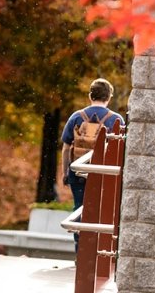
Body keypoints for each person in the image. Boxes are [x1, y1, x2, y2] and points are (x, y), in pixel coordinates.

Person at [60, 78, 124, 251]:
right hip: (104, 173)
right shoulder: (116, 120)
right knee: (102, 211)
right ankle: (97, 251)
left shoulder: (76, 117)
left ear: (90, 95)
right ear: (109, 97)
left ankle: (80, 250)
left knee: (79, 208)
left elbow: (66, 148)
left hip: (78, 172)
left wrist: (66, 172)